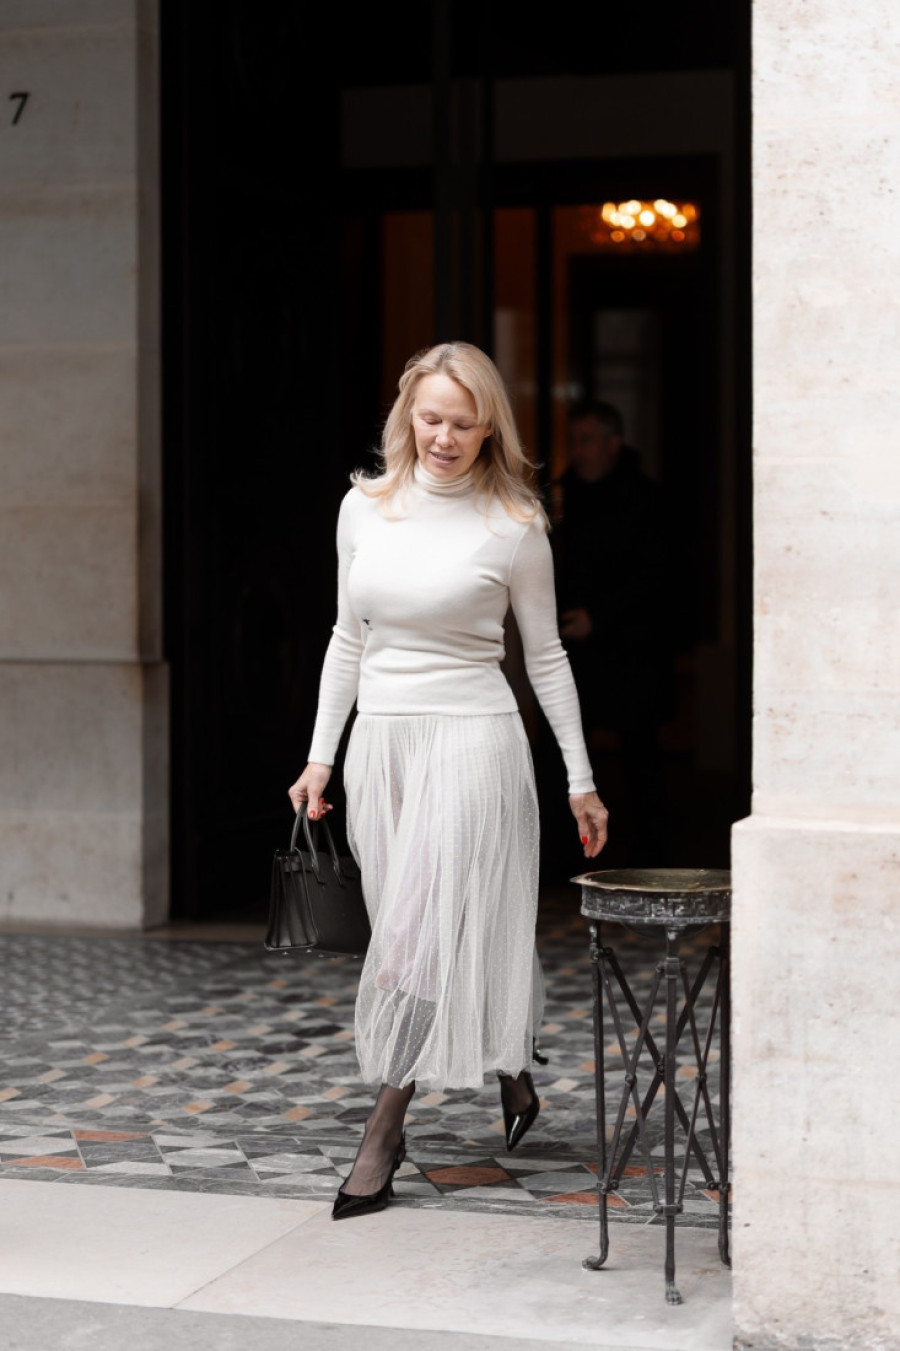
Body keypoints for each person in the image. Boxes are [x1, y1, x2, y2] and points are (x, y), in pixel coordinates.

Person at [288, 343, 608, 1221]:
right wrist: (320, 755)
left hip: (473, 742)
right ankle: (512, 1063)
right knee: (420, 918)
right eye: (431, 417)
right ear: (408, 415)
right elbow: (346, 638)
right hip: (382, 747)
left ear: (489, 427)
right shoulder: (363, 506)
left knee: (415, 942)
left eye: (464, 423)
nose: (445, 437)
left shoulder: (515, 521)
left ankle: (383, 1134)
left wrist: (580, 777)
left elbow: (545, 656)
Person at [552, 399, 675, 865]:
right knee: (569, 752)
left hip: (632, 650)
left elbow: (657, 578)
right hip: (574, 650)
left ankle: (650, 860)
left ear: (613, 443)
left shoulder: (645, 498)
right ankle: (571, 856)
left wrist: (599, 616)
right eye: (573, 440)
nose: (577, 450)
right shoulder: (562, 496)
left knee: (641, 757)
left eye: (586, 440)